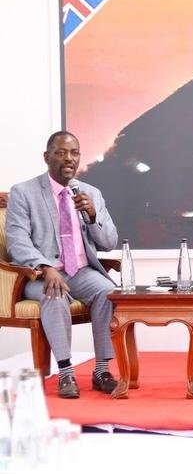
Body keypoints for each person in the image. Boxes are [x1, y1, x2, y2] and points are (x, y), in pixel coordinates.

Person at [5, 131, 119, 398]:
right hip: (39, 275)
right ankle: (66, 373)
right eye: (61, 152)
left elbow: (109, 242)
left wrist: (92, 215)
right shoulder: (24, 192)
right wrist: (46, 267)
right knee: (54, 294)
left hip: (80, 271)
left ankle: (101, 371)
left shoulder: (91, 193)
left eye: (74, 153)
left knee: (107, 292)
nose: (69, 158)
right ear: (47, 157)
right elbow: (17, 241)